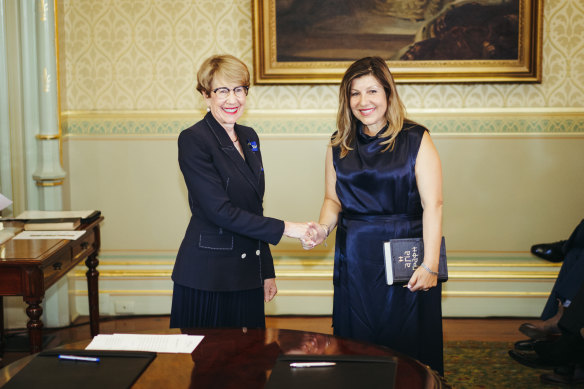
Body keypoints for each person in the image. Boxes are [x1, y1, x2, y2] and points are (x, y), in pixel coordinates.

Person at [303, 56, 445, 374]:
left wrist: (431, 263)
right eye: (354, 93)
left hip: (405, 256)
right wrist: (323, 229)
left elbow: (433, 205)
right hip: (354, 258)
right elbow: (332, 200)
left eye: (372, 91)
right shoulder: (339, 143)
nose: (363, 101)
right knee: (357, 343)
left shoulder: (416, 139)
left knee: (406, 344)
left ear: (388, 94)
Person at [170, 54, 310, 329]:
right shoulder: (194, 139)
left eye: (239, 89)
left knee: (251, 364)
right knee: (210, 365)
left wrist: (266, 271)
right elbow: (219, 211)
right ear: (205, 95)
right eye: (222, 90)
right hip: (209, 276)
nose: (232, 99)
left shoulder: (249, 137)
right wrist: (288, 228)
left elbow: (254, 209)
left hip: (248, 274)